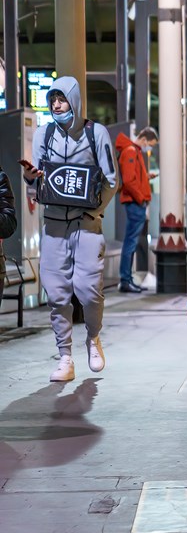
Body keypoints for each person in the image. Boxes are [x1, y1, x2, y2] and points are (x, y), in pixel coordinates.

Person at [20, 77, 120, 383]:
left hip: (88, 225)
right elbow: (39, 180)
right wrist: (29, 179)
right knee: (57, 292)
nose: (56, 106)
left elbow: (111, 180)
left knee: (89, 291)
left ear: (74, 101)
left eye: (61, 100)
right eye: (52, 101)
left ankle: (93, 338)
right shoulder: (43, 135)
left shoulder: (96, 134)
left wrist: (94, 209)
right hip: (53, 226)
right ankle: (65, 356)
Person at [115, 126, 158, 293]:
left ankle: (127, 279)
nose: (151, 148)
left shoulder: (133, 151)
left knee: (131, 242)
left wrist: (146, 178)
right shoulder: (131, 152)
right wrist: (141, 199)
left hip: (135, 203)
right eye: (151, 144)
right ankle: (125, 279)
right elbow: (129, 181)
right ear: (145, 139)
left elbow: (133, 177)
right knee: (130, 243)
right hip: (135, 203)